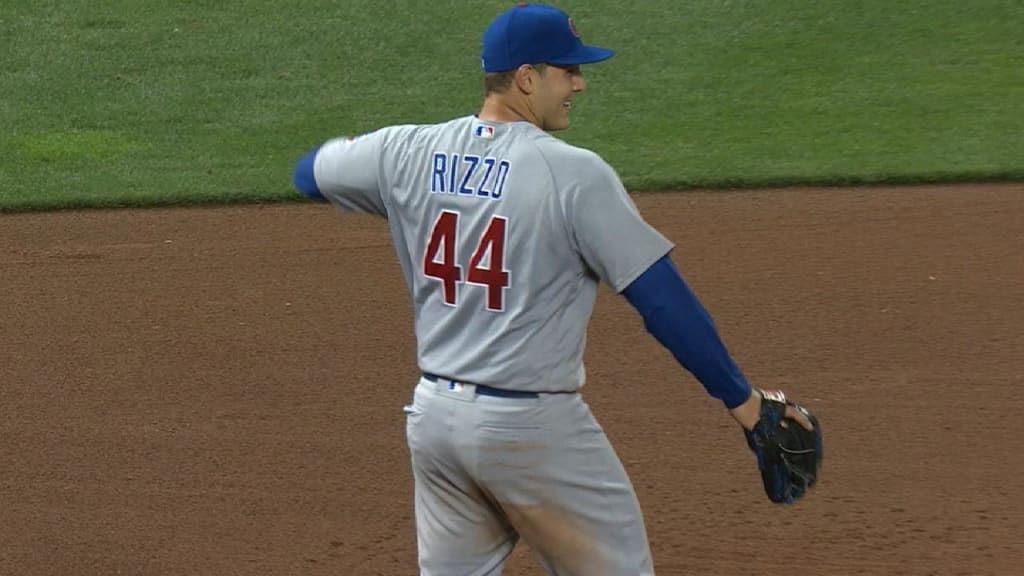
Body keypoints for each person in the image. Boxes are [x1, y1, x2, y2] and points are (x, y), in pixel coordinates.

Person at [292, 3, 813, 575]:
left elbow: (309, 172)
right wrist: (744, 403)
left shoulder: (404, 152)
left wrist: (423, 197)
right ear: (526, 77)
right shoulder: (572, 173)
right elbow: (662, 302)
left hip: (436, 422)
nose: (580, 84)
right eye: (568, 71)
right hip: (530, 433)